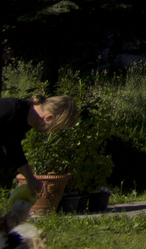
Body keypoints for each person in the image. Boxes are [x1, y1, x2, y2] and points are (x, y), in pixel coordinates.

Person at [1, 94, 79, 244]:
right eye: (56, 128)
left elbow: (13, 148)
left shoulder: (23, 120)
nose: (52, 132)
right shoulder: (11, 109)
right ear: (49, 118)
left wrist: (30, 178)